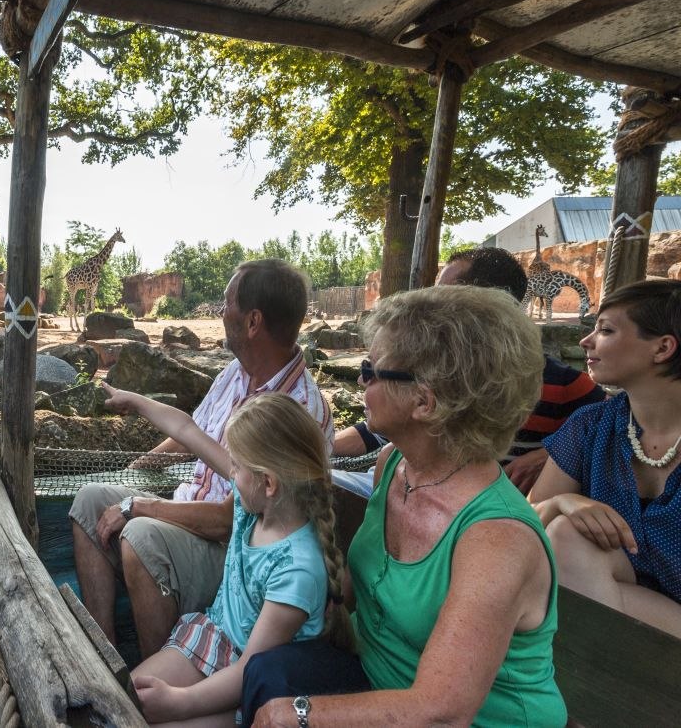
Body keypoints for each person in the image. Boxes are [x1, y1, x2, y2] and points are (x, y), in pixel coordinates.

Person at [244, 285, 567, 728]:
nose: (361, 380)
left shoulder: (497, 540)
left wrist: (297, 714)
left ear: (424, 401)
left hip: (470, 720)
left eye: (371, 371)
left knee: (278, 700)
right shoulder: (393, 464)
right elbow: (356, 590)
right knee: (267, 670)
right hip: (380, 680)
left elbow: (441, 712)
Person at [70, 259, 333, 659]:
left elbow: (231, 520)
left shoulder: (296, 412)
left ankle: (157, 675)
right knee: (90, 500)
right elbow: (193, 431)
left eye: (227, 303)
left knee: (141, 537)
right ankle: (104, 658)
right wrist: (141, 463)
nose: (221, 311)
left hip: (235, 552)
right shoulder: (237, 372)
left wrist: (141, 506)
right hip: (185, 507)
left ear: (253, 321)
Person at [101, 386, 352, 727]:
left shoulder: (297, 569)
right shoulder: (255, 505)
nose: (230, 473)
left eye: (235, 466)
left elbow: (251, 666)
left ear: (268, 482)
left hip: (246, 683)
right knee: (121, 706)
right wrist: (136, 402)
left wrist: (178, 702)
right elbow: (187, 431)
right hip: (212, 639)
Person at [332, 246, 603, 494]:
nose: (429, 302)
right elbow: (377, 428)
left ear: (489, 306)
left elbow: (616, 434)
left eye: (444, 295)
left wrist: (553, 455)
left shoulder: (564, 386)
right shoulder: (429, 371)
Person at [530, 279, 681, 638]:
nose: (585, 341)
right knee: (566, 532)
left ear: (662, 348)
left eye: (606, 330)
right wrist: (564, 501)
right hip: (616, 603)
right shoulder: (593, 425)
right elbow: (524, 523)